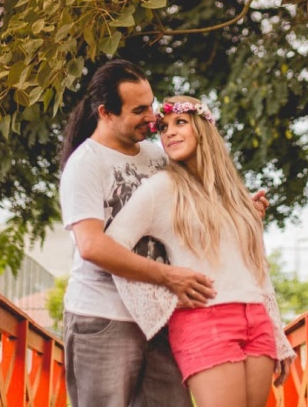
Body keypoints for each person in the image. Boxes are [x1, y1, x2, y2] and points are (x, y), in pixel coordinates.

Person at [105, 96, 295, 407]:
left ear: (204, 128)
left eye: (180, 122)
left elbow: (256, 268)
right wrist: (165, 295)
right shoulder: (163, 187)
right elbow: (111, 246)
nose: (169, 132)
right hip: (205, 319)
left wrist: (279, 335)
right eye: (163, 128)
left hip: (256, 317)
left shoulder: (235, 195)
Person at [59, 59, 215, 407]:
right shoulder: (86, 164)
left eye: (151, 104)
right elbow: (92, 246)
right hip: (103, 317)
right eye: (139, 110)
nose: (152, 117)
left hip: (159, 317)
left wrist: (241, 207)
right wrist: (168, 276)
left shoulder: (156, 156)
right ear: (106, 112)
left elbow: (192, 208)